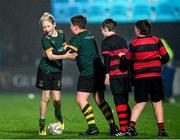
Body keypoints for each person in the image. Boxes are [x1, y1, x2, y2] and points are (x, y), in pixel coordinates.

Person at [68, 15, 120, 136]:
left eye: (71, 25)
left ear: (75, 27)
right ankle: (113, 127)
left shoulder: (77, 38)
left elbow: (70, 53)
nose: (70, 27)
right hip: (99, 70)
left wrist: (58, 52)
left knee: (81, 99)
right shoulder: (90, 35)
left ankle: (92, 127)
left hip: (88, 72)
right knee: (100, 100)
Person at [118, 20, 169, 137]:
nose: (134, 30)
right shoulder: (157, 41)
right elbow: (166, 57)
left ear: (139, 30)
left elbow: (127, 60)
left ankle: (131, 128)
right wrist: (156, 63)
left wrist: (122, 57)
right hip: (155, 77)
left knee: (140, 103)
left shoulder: (134, 44)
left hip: (140, 78)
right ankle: (161, 130)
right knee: (157, 103)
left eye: (135, 28)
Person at [36, 12, 77, 136]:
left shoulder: (61, 34)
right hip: (46, 70)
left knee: (57, 100)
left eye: (48, 26)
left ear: (54, 24)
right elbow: (50, 56)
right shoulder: (45, 39)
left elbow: (64, 47)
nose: (46, 29)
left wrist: (74, 52)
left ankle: (58, 117)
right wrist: (66, 56)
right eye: (44, 27)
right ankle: (42, 125)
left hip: (57, 70)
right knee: (46, 98)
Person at [101, 18, 131, 136]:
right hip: (125, 75)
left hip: (115, 75)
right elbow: (126, 58)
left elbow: (107, 61)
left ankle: (123, 130)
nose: (102, 32)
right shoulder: (122, 40)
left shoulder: (106, 42)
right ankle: (130, 128)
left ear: (106, 29)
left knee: (119, 102)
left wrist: (107, 75)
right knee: (125, 101)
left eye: (102, 30)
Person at [161, 38, 176, 103]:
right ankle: (164, 97)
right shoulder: (164, 49)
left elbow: (165, 60)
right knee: (163, 83)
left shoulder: (167, 51)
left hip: (168, 68)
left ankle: (169, 97)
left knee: (167, 83)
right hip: (166, 68)